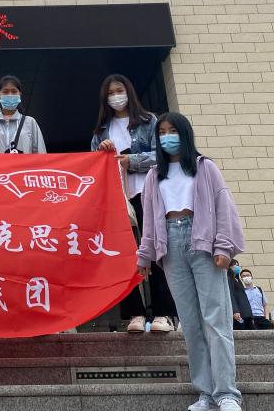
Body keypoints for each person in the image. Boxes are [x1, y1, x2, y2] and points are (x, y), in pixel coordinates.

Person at [136, 112, 245, 411]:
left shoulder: (204, 167)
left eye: (172, 130)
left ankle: (227, 393)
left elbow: (223, 206)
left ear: (184, 133)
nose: (167, 137)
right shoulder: (154, 175)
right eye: (161, 132)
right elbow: (150, 219)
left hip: (203, 240)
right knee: (191, 323)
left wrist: (224, 246)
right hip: (170, 245)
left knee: (216, 319)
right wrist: (144, 255)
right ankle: (206, 393)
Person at [91, 74, 176, 334]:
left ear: (128, 91)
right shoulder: (101, 130)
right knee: (123, 254)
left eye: (119, 90)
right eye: (110, 93)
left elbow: (162, 154)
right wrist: (102, 152)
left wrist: (133, 161)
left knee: (156, 249)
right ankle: (134, 313)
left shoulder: (149, 121)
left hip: (146, 192)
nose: (116, 96)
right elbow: (93, 165)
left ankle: (163, 312)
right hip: (117, 197)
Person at [0, 75, 46, 154]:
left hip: (24, 163)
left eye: (14, 91)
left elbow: (41, 154)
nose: (10, 95)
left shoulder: (30, 122)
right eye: (5, 92)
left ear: (20, 94)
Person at [227, 259, 253, 330]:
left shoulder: (238, 280)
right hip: (239, 313)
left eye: (238, 265)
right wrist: (235, 311)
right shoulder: (228, 279)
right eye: (235, 265)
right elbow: (230, 295)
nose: (237, 267)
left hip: (246, 313)